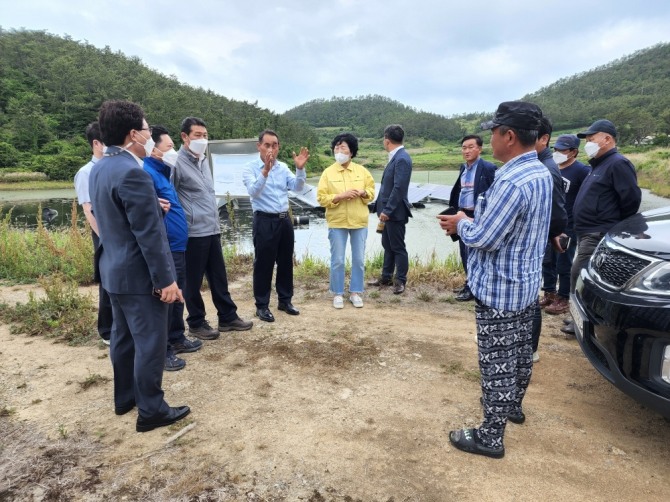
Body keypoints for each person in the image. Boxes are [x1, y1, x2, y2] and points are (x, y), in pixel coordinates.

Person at [438, 101, 552, 459]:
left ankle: (490, 436)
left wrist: (460, 224)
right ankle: (512, 408)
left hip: (500, 288)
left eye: (493, 132)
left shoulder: (511, 181)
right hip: (525, 283)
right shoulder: (540, 173)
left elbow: (486, 237)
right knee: (519, 354)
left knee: (496, 362)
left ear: (510, 136)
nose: (489, 139)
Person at [89, 100, 190, 432]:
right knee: (149, 340)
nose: (150, 135)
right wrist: (167, 281)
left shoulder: (101, 167)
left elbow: (114, 220)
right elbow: (148, 235)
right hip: (138, 275)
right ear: (133, 134)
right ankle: (151, 410)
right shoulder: (133, 172)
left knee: (123, 338)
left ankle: (125, 398)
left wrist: (152, 208)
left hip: (113, 271)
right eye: (148, 130)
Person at [173, 117, 253, 338]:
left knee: (219, 276)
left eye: (205, 136)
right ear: (184, 137)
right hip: (193, 232)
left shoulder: (203, 160)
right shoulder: (177, 163)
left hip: (212, 228)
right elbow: (172, 197)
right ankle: (196, 322)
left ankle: (227, 317)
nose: (202, 139)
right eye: (197, 135)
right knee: (193, 282)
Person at [564, 119, 641, 334]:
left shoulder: (617, 163)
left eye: (591, 138)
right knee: (582, 275)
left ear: (607, 139)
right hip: (586, 230)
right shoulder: (597, 165)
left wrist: (614, 227)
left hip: (598, 232)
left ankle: (581, 320)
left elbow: (631, 199)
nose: (588, 142)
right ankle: (578, 317)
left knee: (580, 274)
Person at [144, 125, 203, 371]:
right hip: (166, 246)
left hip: (179, 245)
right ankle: (164, 349)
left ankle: (177, 337)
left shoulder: (164, 171)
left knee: (179, 293)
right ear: (153, 148)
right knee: (166, 298)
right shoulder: (147, 173)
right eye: (169, 147)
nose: (173, 152)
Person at [243, 129, 310, 322]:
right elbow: (253, 192)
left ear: (278, 147)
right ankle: (262, 306)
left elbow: (297, 187)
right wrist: (265, 170)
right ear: (259, 146)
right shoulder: (250, 168)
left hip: (284, 220)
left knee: (286, 261)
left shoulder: (283, 167)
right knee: (263, 264)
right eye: (267, 145)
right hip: (264, 220)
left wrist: (299, 169)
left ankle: (285, 300)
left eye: (275, 145)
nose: (271, 149)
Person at [317, 133, 375, 309]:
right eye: (336, 147)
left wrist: (364, 193)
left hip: (359, 221)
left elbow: (372, 192)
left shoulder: (362, 171)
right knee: (338, 260)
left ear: (351, 152)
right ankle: (338, 293)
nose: (339, 151)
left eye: (343, 147)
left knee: (358, 259)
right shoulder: (328, 172)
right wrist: (339, 196)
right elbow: (321, 198)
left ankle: (356, 292)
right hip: (337, 221)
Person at [530, 116, 567, 362]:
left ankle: (530, 348)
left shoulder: (546, 168)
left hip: (537, 240)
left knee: (529, 297)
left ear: (544, 139)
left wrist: (554, 233)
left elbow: (557, 209)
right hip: (540, 238)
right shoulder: (542, 163)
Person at [541, 135, 590, 315]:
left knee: (564, 261)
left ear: (574, 152)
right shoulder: (551, 168)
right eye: (556, 149)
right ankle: (549, 292)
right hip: (549, 222)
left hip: (569, 225)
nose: (558, 153)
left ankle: (564, 298)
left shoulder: (582, 171)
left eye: (563, 150)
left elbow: (587, 197)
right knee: (547, 260)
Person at [73, 122, 112, 345]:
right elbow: (88, 209)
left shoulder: (110, 167)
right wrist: (105, 237)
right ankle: (106, 330)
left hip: (115, 232)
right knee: (107, 280)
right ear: (96, 143)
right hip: (104, 234)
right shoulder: (86, 172)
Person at [447, 135, 496, 301]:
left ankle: (474, 288)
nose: (466, 151)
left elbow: (493, 193)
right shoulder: (464, 168)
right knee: (464, 251)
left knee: (475, 252)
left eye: (470, 147)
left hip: (477, 216)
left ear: (480, 149)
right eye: (464, 148)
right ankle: (469, 283)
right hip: (462, 213)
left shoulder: (488, 168)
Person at [368, 124, 413, 295]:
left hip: (394, 213)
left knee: (398, 246)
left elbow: (399, 188)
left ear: (386, 140)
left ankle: (400, 280)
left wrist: (387, 210)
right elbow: (388, 187)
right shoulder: (396, 156)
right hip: (387, 211)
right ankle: (386, 277)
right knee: (387, 244)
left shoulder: (402, 158)